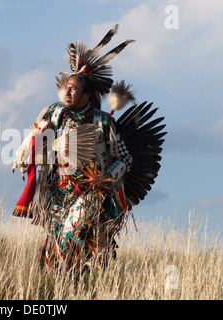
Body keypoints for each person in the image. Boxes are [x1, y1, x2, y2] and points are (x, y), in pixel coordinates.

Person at [12, 25, 166, 273]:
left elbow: (124, 159)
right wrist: (37, 137)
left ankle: (75, 274)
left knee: (68, 236)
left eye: (74, 88)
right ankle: (68, 286)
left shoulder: (103, 121)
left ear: (86, 94)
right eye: (67, 87)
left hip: (90, 191)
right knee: (57, 249)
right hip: (56, 190)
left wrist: (108, 176)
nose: (68, 91)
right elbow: (41, 135)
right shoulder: (56, 112)